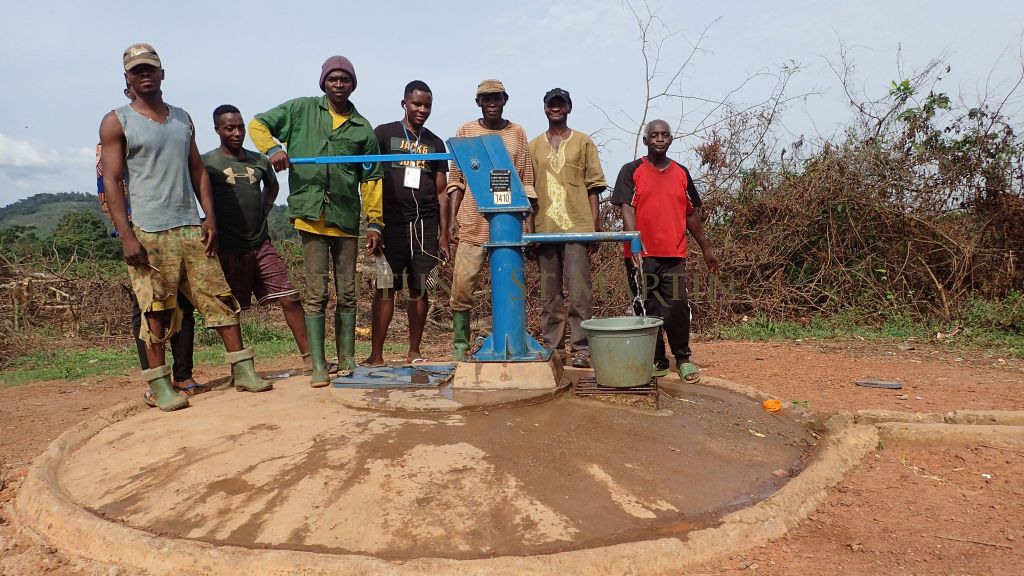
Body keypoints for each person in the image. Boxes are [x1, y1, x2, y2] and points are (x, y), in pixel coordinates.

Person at [99, 43, 272, 412]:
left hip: (190, 225)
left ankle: (243, 369)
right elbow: (111, 179)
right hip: (149, 229)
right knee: (155, 308)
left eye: (150, 68)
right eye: (137, 71)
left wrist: (209, 217)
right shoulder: (117, 121)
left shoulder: (182, 119)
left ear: (162, 73)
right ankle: (160, 385)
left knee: (218, 297)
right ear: (127, 77)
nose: (145, 75)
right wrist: (126, 235)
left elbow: (197, 170)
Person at [249, 55, 383, 384]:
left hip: (345, 219)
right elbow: (257, 124)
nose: (339, 84)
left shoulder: (362, 128)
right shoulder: (301, 110)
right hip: (311, 216)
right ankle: (319, 365)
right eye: (333, 79)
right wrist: (273, 149)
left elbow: (371, 178)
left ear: (353, 85)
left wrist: (375, 222)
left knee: (348, 292)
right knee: (316, 293)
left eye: (345, 79)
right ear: (323, 82)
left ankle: (347, 359)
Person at [96, 92, 205, 404]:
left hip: (177, 226)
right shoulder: (117, 132)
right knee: (148, 308)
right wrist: (127, 233)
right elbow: (107, 187)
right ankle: (156, 382)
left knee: (182, 304)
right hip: (140, 229)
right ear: (127, 89)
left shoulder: (173, 125)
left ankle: (183, 374)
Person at [202, 105, 315, 380]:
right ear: (217, 129)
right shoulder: (207, 162)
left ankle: (311, 359)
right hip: (228, 247)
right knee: (231, 309)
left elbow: (272, 185)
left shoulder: (259, 160)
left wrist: (265, 208)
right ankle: (240, 368)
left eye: (240, 127)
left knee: (290, 296)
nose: (237, 133)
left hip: (260, 243)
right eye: (229, 128)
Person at [610, 119, 719, 383]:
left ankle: (682, 358)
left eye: (665, 135)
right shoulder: (631, 170)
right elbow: (627, 210)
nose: (659, 139)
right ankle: (658, 358)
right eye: (654, 135)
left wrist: (706, 248)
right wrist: (635, 246)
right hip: (641, 254)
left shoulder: (681, 172)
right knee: (647, 307)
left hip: (674, 253)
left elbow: (690, 214)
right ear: (646, 140)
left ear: (671, 139)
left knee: (677, 306)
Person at [447, 79, 537, 360]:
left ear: (504, 100)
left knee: (510, 286)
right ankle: (460, 346)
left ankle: (511, 343)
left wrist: (528, 225)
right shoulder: (466, 131)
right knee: (462, 286)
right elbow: (456, 180)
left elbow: (526, 181)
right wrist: (452, 220)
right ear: (478, 103)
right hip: (472, 221)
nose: (491, 104)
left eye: (496, 98)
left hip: (508, 223)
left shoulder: (517, 132)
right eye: (486, 99)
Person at [363, 81, 449, 366]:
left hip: (425, 224)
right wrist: (373, 222)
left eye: (427, 106)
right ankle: (376, 355)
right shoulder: (384, 134)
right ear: (404, 104)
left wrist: (444, 233)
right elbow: (370, 176)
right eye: (417, 104)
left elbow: (441, 191)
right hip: (392, 224)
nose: (422, 110)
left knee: (420, 288)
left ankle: (414, 351)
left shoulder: (435, 143)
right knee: (386, 287)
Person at [528, 88, 607, 368]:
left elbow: (594, 186)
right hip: (545, 228)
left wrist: (595, 226)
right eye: (551, 104)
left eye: (561, 104)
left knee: (579, 292)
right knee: (550, 294)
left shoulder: (583, 142)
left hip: (578, 227)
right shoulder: (533, 146)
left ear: (569, 108)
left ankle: (582, 349)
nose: (556, 108)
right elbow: (529, 192)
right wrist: (529, 231)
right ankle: (554, 348)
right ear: (545, 108)